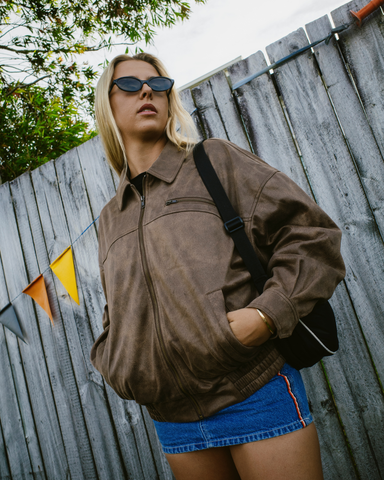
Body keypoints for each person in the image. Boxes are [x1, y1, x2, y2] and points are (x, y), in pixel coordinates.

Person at [90, 52, 345, 480]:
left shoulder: (214, 161)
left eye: (159, 84)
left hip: (253, 392)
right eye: (130, 86)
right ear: (106, 105)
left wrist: (265, 315)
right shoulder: (110, 216)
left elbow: (310, 235)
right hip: (172, 418)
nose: (148, 91)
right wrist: (121, 361)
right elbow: (120, 306)